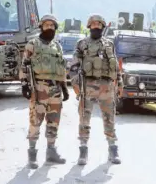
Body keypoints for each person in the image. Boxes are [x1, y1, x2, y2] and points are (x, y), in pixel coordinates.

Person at [70, 14, 124, 165]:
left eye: (98, 25)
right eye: (93, 24)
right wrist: (75, 85)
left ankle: (113, 149)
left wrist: (119, 84)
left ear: (102, 27)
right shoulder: (82, 44)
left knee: (109, 118)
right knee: (84, 119)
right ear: (89, 26)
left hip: (107, 87)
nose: (95, 27)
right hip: (87, 87)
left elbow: (116, 67)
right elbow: (73, 67)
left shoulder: (109, 44)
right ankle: (83, 149)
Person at [19, 14, 69, 169]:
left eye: (52, 25)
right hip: (38, 88)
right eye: (46, 25)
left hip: (55, 89)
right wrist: (24, 84)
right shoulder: (32, 44)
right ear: (41, 27)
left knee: (54, 121)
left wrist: (64, 87)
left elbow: (61, 68)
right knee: (35, 121)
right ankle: (32, 155)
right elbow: (24, 65)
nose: (49, 28)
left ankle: (51, 152)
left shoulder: (57, 46)